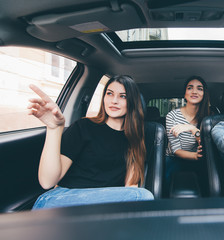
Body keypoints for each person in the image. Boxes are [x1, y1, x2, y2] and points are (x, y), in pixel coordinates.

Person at [28, 75, 154, 209]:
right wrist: (54, 129)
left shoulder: (135, 139)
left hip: (102, 204)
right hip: (61, 199)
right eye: (109, 94)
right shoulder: (83, 127)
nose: (114, 101)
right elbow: (48, 182)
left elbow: (130, 188)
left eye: (123, 96)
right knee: (142, 196)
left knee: (138, 196)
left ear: (133, 102)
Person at [165, 76, 210, 195]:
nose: (194, 91)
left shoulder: (209, 117)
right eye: (190, 88)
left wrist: (192, 129)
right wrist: (196, 156)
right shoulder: (172, 116)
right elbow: (176, 150)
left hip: (200, 159)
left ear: (204, 94)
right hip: (174, 159)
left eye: (199, 88)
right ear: (184, 94)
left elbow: (206, 145)